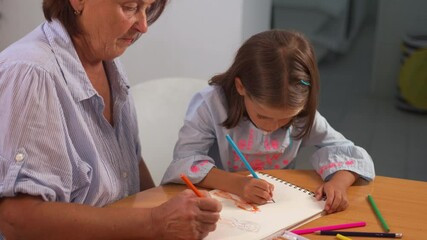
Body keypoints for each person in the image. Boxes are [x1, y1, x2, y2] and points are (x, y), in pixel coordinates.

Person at [0, 0, 221, 239]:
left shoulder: (107, 61)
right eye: (130, 7)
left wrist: (165, 211)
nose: (144, 26)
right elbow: (17, 220)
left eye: (148, 9)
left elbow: (127, 165)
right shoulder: (31, 73)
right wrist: (156, 221)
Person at [161, 29, 375, 214]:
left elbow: (346, 150)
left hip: (275, 209)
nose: (272, 127)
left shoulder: (301, 115)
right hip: (216, 204)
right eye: (263, 116)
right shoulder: (211, 104)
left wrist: (338, 182)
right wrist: (237, 183)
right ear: (241, 87)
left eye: (285, 119)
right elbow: (185, 161)